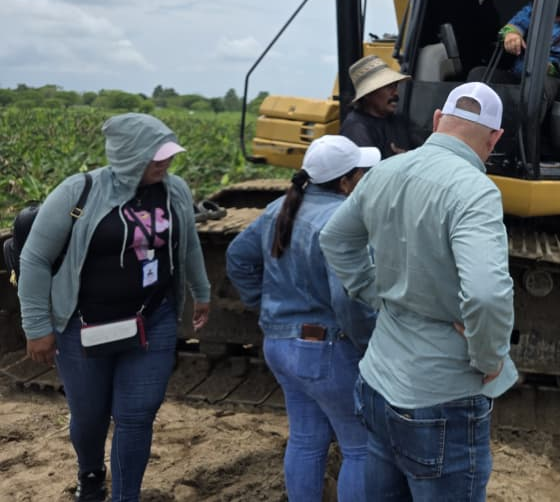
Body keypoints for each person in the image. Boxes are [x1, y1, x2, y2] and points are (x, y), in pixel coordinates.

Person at [320, 81, 517, 502]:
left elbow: (335, 238)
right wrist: (489, 357)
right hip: (440, 396)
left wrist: (375, 293)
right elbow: (485, 295)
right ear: (495, 137)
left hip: (376, 381)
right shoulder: (475, 190)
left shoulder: (385, 171)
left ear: (437, 120)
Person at [17, 113, 211, 502]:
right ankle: (90, 474)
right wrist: (37, 327)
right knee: (90, 417)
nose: (167, 161)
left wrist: (201, 291)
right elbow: (35, 259)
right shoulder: (79, 192)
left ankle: (126, 496)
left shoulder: (174, 190)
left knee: (137, 416)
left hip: (151, 320)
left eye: (169, 154)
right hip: (82, 326)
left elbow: (188, 244)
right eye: (157, 155)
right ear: (129, 154)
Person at [226, 135, 380, 502]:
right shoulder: (342, 220)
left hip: (280, 345)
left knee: (307, 438)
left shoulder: (278, 208)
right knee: (360, 446)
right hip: (326, 350)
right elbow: (348, 299)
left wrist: (264, 303)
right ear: (346, 181)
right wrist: (369, 343)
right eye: (361, 173)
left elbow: (237, 257)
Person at [339, 54, 412, 158]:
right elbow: (368, 167)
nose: (395, 93)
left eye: (395, 86)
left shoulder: (398, 121)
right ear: (368, 94)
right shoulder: (356, 128)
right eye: (388, 87)